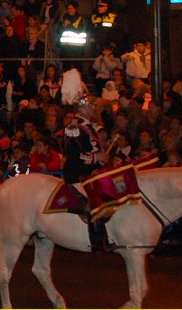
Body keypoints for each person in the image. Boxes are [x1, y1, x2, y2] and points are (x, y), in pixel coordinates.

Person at [61, 97, 112, 252]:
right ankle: (96, 241)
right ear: (83, 109)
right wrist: (96, 158)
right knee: (94, 203)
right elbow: (73, 154)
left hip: (89, 174)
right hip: (77, 175)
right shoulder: (74, 127)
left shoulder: (89, 126)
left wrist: (100, 160)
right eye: (92, 107)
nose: (94, 110)